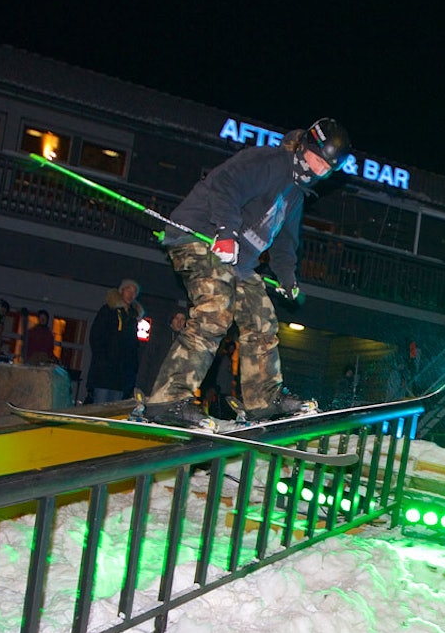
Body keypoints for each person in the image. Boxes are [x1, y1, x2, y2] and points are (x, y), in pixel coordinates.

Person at [142, 117, 352, 429]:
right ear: (305, 147)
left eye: (326, 168)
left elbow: (285, 240)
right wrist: (225, 231)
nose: (318, 170)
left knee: (261, 319)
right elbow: (226, 185)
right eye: (316, 160)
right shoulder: (270, 162)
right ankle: (168, 399)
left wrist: (287, 277)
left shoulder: (295, 192)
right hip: (201, 235)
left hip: (238, 261)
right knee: (215, 309)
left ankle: (262, 400)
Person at [87, 279, 144, 402]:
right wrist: (103, 359)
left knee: (114, 410)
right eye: (128, 290)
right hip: (104, 372)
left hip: (122, 376)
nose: (131, 294)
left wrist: (132, 370)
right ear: (121, 291)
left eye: (134, 292)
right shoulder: (108, 311)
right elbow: (96, 336)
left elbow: (133, 346)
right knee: (100, 408)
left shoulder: (132, 318)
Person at [135, 309, 186, 396]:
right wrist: (141, 386)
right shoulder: (160, 337)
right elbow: (147, 360)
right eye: (176, 318)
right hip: (155, 384)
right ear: (171, 320)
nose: (179, 322)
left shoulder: (187, 341)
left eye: (182, 319)